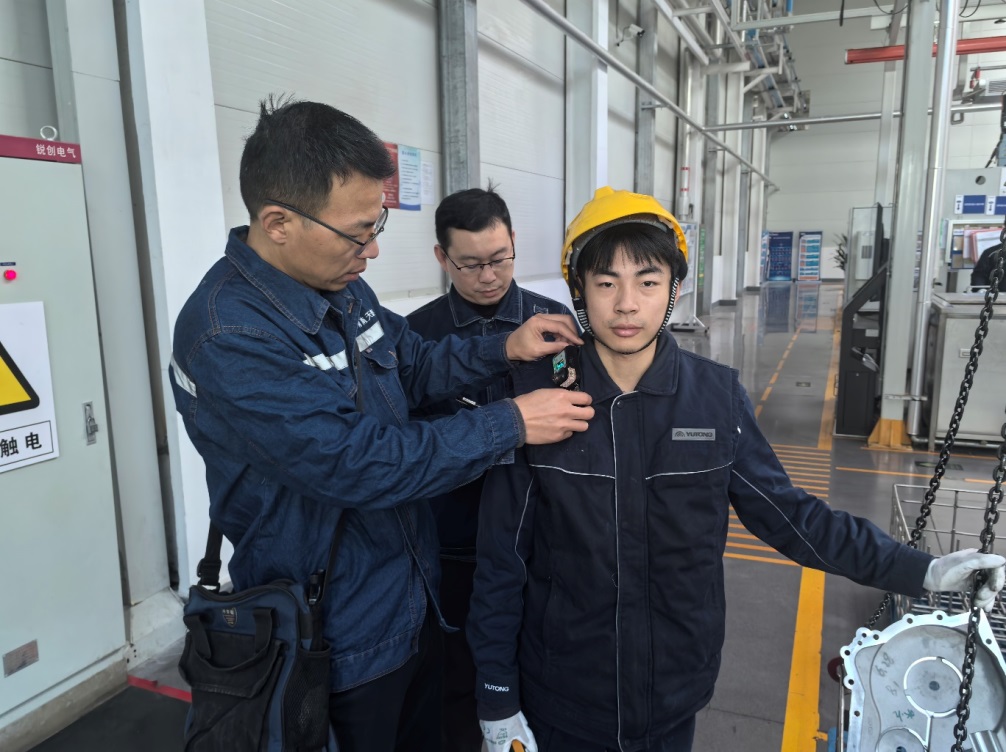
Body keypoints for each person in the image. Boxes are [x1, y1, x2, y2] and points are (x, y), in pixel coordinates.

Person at [467, 187, 1006, 752]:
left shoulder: (714, 398)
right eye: (606, 283)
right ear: (579, 290)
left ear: (674, 289)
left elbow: (793, 518)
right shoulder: (539, 402)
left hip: (673, 690)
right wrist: (497, 698)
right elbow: (501, 560)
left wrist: (923, 571)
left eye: (647, 282)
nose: (626, 304)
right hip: (564, 692)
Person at [168, 97, 595, 752]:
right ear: (278, 223)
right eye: (357, 232)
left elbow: (413, 364)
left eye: (378, 225)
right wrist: (511, 422)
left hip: (412, 599)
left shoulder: (341, 286)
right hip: (333, 635)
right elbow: (358, 463)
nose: (371, 249)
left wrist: (503, 348)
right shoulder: (229, 334)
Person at [407, 185, 573, 751]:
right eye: (471, 264)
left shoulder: (554, 325)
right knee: (455, 683)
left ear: (514, 243)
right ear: (441, 257)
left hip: (540, 539)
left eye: (500, 258)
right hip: (454, 543)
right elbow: (410, 447)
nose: (489, 276)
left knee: (541, 673)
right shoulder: (416, 339)